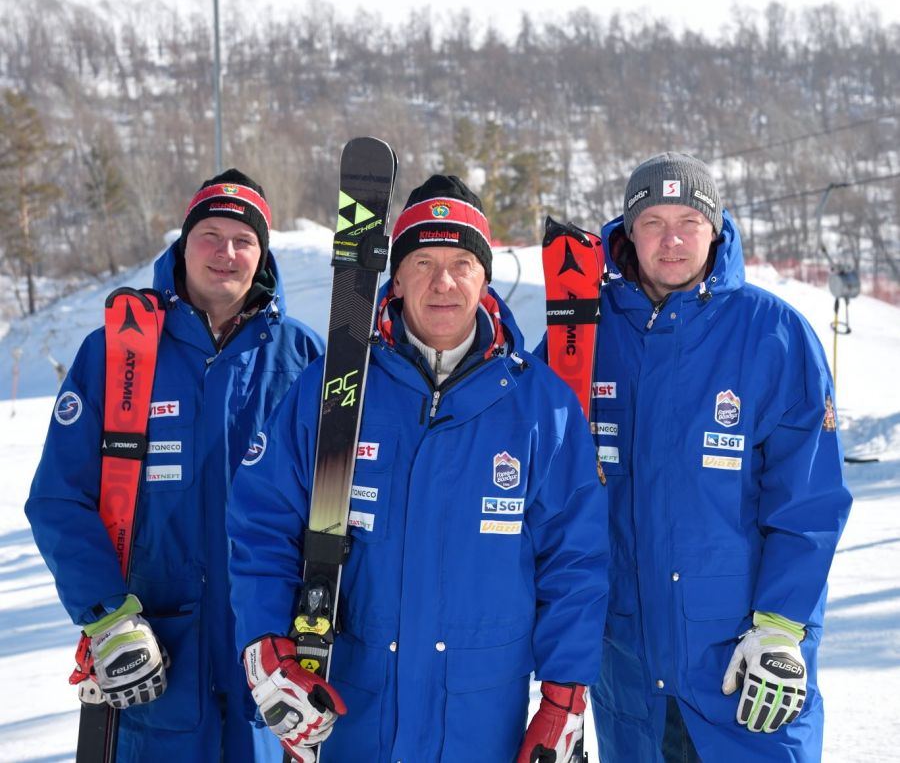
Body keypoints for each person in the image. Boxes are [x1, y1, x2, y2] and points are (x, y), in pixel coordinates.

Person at [226, 174, 609, 763]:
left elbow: (575, 561)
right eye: (423, 261)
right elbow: (262, 521)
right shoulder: (334, 392)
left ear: (485, 279)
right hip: (348, 711)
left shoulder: (542, 407)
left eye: (461, 262)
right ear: (396, 278)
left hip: (483, 721)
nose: (443, 282)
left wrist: (564, 697)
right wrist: (265, 640)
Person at [26, 169, 324, 762]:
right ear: (182, 246)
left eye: (244, 240)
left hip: (267, 665)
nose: (226, 252)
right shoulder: (117, 352)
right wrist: (106, 616)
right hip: (154, 661)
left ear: (263, 256)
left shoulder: (304, 358)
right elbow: (59, 498)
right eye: (210, 234)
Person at [580, 152, 853, 761]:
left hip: (743, 662)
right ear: (627, 232)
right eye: (653, 222)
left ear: (715, 227)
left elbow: (808, 503)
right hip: (626, 664)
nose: (671, 240)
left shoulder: (773, 335)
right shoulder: (583, 336)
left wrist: (781, 628)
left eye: (689, 222)